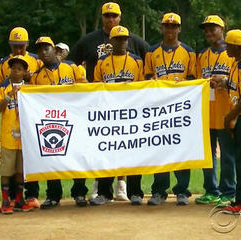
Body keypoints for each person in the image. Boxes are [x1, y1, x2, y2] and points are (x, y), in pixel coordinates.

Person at [69, 1, 149, 201]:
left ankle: (133, 191)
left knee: (132, 149)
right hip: (104, 109)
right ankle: (103, 190)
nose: (111, 19)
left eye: (114, 16)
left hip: (131, 110)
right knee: (104, 147)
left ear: (120, 17)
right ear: (103, 17)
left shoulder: (137, 49)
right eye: (107, 15)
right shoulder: (90, 42)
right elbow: (71, 63)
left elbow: (152, 60)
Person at [144, 12, 196, 205]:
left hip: (181, 108)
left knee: (182, 148)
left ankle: (182, 190)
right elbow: (146, 77)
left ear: (179, 29)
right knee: (160, 147)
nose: (170, 30)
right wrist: (152, 82)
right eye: (167, 26)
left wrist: (180, 85)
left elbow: (193, 80)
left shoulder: (189, 52)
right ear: (162, 28)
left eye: (174, 26)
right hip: (159, 109)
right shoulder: (151, 51)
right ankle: (159, 190)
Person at [30, 36, 88, 208]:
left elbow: (86, 89)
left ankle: (79, 193)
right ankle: (53, 195)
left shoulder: (71, 68)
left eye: (46, 48)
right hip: (51, 121)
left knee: (78, 156)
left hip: (74, 118)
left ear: (55, 50)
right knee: (51, 156)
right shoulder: (37, 76)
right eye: (39, 49)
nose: (42, 52)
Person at [90, 25, 144, 205]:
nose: (122, 42)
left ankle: (136, 192)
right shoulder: (102, 62)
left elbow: (144, 89)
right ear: (111, 41)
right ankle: (104, 193)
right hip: (109, 115)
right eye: (118, 39)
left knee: (134, 152)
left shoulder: (137, 61)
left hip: (131, 114)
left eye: (124, 39)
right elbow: (96, 88)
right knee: (107, 151)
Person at [0, 26, 41, 208]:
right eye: (15, 46)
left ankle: (29, 196)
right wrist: (7, 93)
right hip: (9, 127)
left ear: (27, 44)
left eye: (21, 46)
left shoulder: (35, 60)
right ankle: (10, 198)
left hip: (27, 128)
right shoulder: (4, 64)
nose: (18, 49)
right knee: (9, 167)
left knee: (26, 166)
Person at [211, 29, 241, 214]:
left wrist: (230, 116)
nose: (225, 48)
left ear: (237, 47)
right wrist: (223, 82)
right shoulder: (237, 64)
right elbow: (236, 86)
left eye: (228, 45)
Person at [195, 15, 236, 206]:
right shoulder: (202, 55)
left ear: (223, 29)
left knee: (228, 154)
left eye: (213, 28)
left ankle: (228, 191)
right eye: (207, 29)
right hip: (206, 112)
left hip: (227, 112)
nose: (209, 32)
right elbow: (195, 83)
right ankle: (211, 190)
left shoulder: (234, 54)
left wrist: (225, 82)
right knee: (208, 155)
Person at [0, 55, 33, 214]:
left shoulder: (30, 89)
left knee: (20, 171)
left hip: (24, 137)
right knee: (6, 171)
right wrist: (9, 95)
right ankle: (5, 200)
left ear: (24, 72)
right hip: (8, 136)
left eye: (19, 69)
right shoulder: (3, 88)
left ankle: (18, 199)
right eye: (13, 68)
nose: (15, 71)